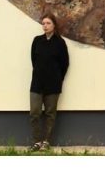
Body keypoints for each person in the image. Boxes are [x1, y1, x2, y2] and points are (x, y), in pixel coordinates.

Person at [29, 13, 69, 151]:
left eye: (48, 23)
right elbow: (34, 60)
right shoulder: (37, 41)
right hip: (37, 83)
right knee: (34, 112)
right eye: (43, 23)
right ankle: (37, 141)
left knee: (50, 114)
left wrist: (57, 78)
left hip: (53, 85)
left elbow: (65, 64)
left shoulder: (60, 43)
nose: (45, 26)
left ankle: (46, 141)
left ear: (54, 25)